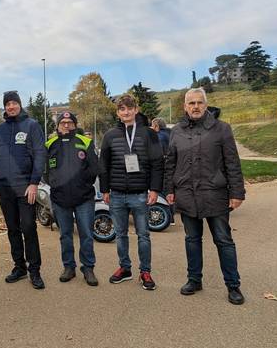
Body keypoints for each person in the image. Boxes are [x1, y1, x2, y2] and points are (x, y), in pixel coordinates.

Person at [164, 88, 246, 305]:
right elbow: (170, 163)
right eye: (191, 103)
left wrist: (237, 192)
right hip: (186, 195)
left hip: (215, 195)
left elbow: (232, 163)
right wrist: (169, 190)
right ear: (185, 107)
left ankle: (233, 285)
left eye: (200, 102)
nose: (196, 106)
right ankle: (194, 279)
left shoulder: (222, 129)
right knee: (192, 240)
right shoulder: (177, 131)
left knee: (223, 240)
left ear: (206, 105)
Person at [99, 94, 164, 290]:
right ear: (118, 113)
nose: (126, 112)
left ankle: (145, 271)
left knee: (143, 235)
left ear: (136, 110)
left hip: (140, 193)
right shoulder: (110, 135)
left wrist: (154, 189)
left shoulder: (148, 134)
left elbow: (157, 163)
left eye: (129, 108)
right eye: (122, 109)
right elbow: (104, 164)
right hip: (117, 193)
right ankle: (124, 268)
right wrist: (104, 189)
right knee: (120, 234)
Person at [0, 91, 46, 289]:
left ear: (20, 105)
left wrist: (34, 182)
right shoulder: (0, 130)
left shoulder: (32, 126)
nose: (10, 107)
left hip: (25, 187)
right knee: (12, 228)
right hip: (5, 188)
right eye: (7, 104)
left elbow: (40, 155)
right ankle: (19, 267)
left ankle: (34, 270)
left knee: (28, 227)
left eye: (13, 103)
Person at [45, 111, 99, 286]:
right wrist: (55, 183)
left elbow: (94, 168)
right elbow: (44, 170)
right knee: (65, 235)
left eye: (70, 122)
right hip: (60, 199)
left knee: (86, 234)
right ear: (58, 125)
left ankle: (88, 268)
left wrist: (82, 184)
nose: (66, 125)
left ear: (75, 125)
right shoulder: (50, 144)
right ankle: (69, 267)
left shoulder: (86, 142)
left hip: (84, 198)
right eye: (63, 122)